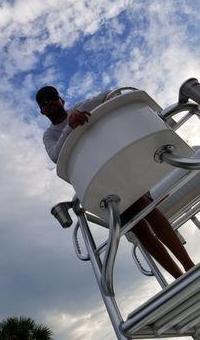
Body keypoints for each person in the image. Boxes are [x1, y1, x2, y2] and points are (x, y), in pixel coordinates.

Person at [36, 85, 195, 279]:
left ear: (61, 100)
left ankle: (188, 269)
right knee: (140, 229)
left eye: (52, 98)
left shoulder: (79, 107)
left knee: (148, 211)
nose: (49, 104)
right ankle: (181, 275)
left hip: (118, 169)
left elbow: (106, 96)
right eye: (44, 103)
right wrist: (70, 126)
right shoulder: (49, 135)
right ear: (42, 111)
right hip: (98, 180)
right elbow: (55, 156)